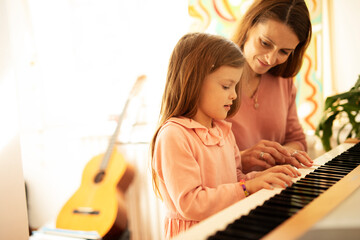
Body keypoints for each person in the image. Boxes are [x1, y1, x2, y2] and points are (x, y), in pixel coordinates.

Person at [150, 32, 300, 239]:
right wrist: (247, 187)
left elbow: (235, 180)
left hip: (226, 226)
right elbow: (190, 203)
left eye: (235, 86)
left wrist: (262, 178)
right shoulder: (174, 135)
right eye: (226, 86)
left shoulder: (223, 131)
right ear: (194, 81)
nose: (234, 95)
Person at [228, 0, 314, 173]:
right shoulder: (211, 77)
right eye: (265, 43)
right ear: (249, 26)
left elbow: (296, 139)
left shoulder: (284, 82)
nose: (270, 59)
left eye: (284, 52)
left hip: (273, 191)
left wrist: (285, 154)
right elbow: (196, 155)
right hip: (231, 193)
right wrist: (241, 159)